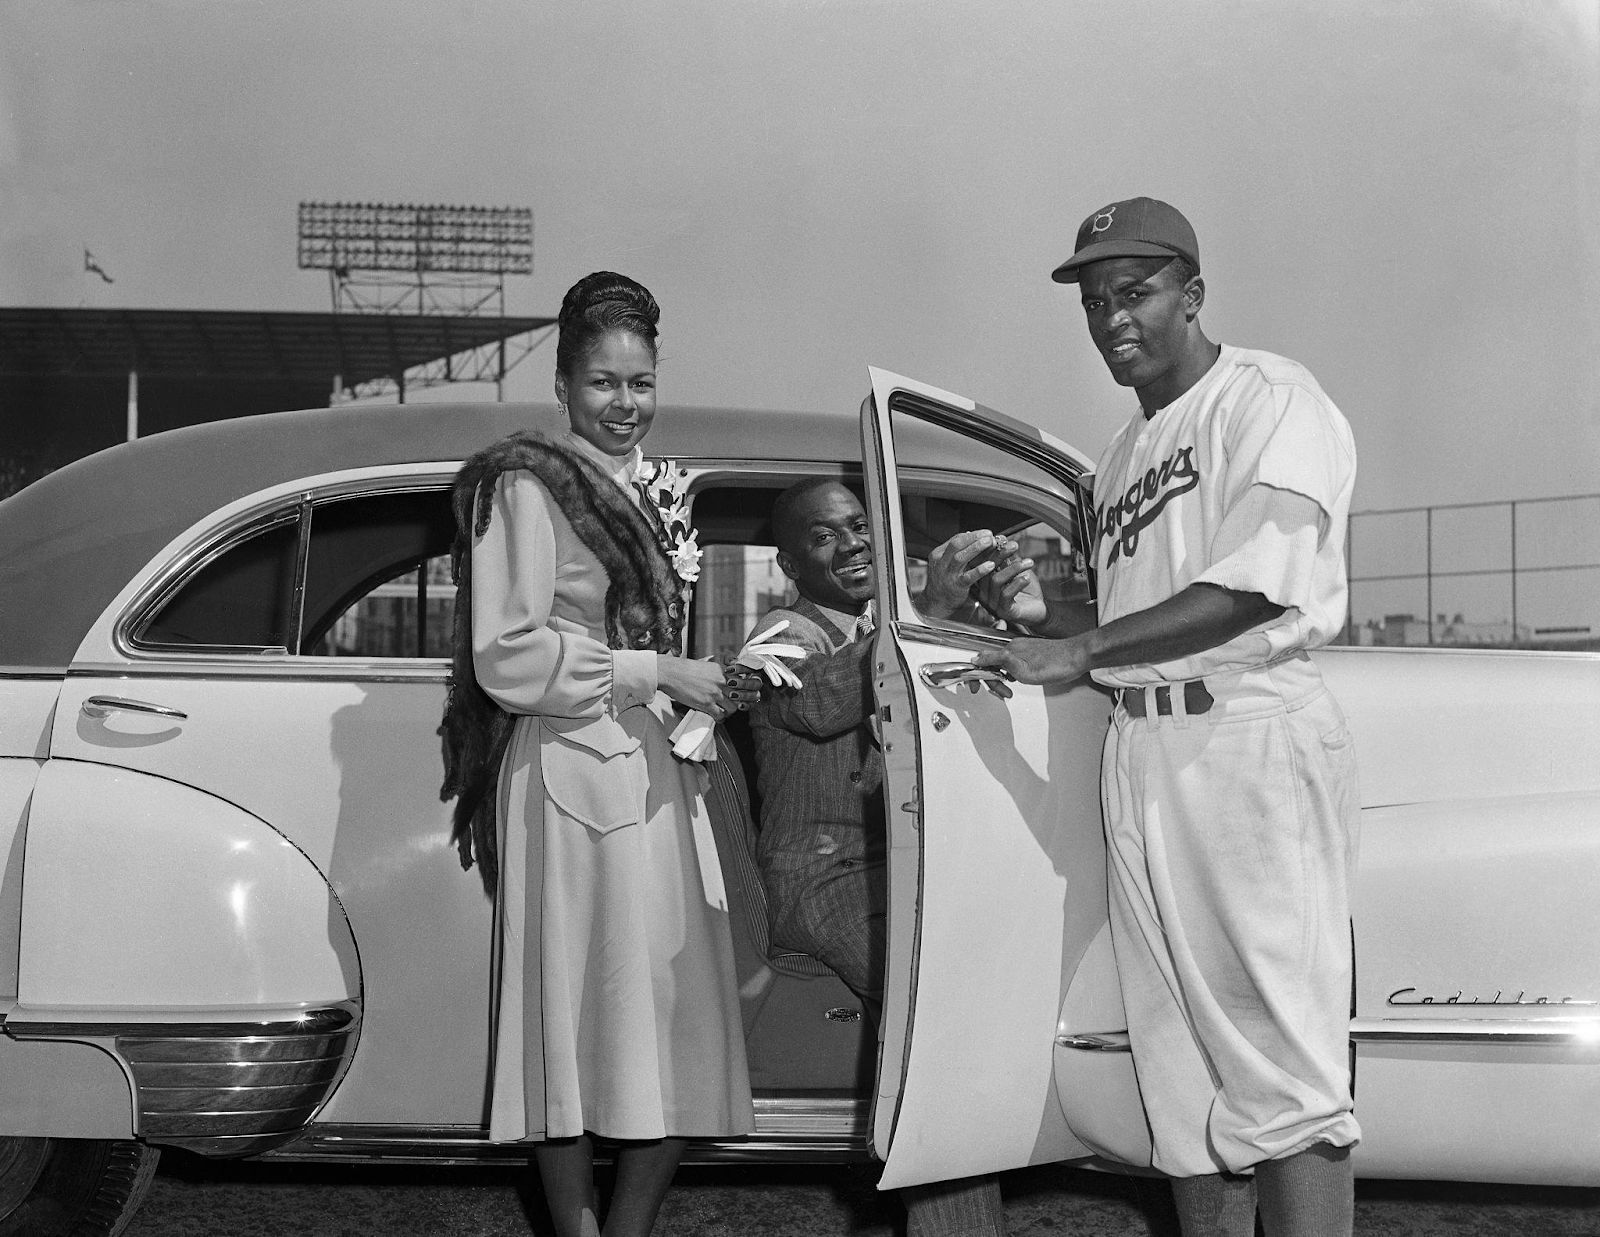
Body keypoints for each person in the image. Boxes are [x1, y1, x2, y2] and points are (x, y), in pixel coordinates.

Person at [975, 198, 1361, 1237]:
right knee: (1179, 1071)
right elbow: (1129, 615)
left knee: (1283, 1059)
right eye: (1096, 300)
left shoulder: (1271, 397)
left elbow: (1253, 586)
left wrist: (1082, 646)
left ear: (1192, 294)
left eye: (1135, 292)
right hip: (1142, 745)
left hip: (1243, 733)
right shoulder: (1122, 453)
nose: (1111, 318)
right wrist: (1046, 614)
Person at [440, 271, 754, 1237]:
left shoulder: (648, 487)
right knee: (572, 1034)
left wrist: (689, 686)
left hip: (655, 774)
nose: (626, 405)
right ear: (565, 389)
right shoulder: (527, 484)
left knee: (670, 1020)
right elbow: (506, 650)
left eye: (642, 382)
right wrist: (649, 665)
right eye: (605, 384)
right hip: (571, 776)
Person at [748, 476, 1012, 1237]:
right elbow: (820, 698)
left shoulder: (874, 626)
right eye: (825, 536)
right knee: (936, 1009)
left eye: (859, 526)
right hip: (819, 875)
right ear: (789, 565)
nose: (854, 542)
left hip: (887, 867)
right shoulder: (781, 635)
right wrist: (925, 613)